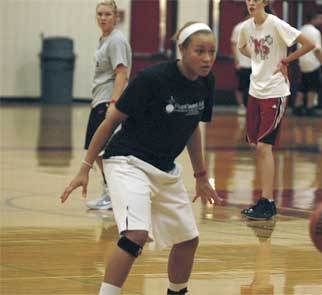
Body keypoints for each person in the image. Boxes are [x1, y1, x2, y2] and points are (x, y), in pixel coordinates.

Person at [60, 22, 221, 295]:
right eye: (199, 51)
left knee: (188, 239)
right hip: (127, 161)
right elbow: (111, 121)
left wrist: (201, 176)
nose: (207, 58)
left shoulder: (207, 82)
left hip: (165, 168)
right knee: (135, 236)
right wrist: (85, 167)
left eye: (212, 52)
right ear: (181, 50)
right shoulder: (152, 79)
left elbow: (192, 127)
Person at [238, 0, 314, 220]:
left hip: (275, 91)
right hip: (255, 90)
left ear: (265, 2)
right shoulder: (246, 27)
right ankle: (264, 199)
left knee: (264, 147)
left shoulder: (276, 24)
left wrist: (285, 60)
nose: (251, 2)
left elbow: (309, 44)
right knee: (258, 148)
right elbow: (242, 47)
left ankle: (268, 202)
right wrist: (258, 58)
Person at [85, 0, 132, 210]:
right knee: (95, 150)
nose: (103, 18)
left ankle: (112, 194)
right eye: (100, 14)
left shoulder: (116, 40)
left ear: (116, 17)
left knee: (103, 151)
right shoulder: (104, 39)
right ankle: (109, 191)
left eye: (107, 14)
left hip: (108, 101)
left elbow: (121, 73)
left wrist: (114, 104)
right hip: (99, 100)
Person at [293, 11, 322, 117]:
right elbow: (317, 49)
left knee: (303, 85)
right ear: (314, 18)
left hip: (303, 62)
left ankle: (297, 107)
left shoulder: (301, 29)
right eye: (321, 19)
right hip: (313, 62)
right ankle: (310, 107)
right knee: (313, 87)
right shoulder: (315, 32)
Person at [231, 11, 252, 115]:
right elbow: (233, 45)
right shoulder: (238, 28)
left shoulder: (257, 27)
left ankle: (251, 107)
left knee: (253, 86)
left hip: (254, 64)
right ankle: (241, 106)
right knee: (241, 86)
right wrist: (236, 62)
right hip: (242, 64)